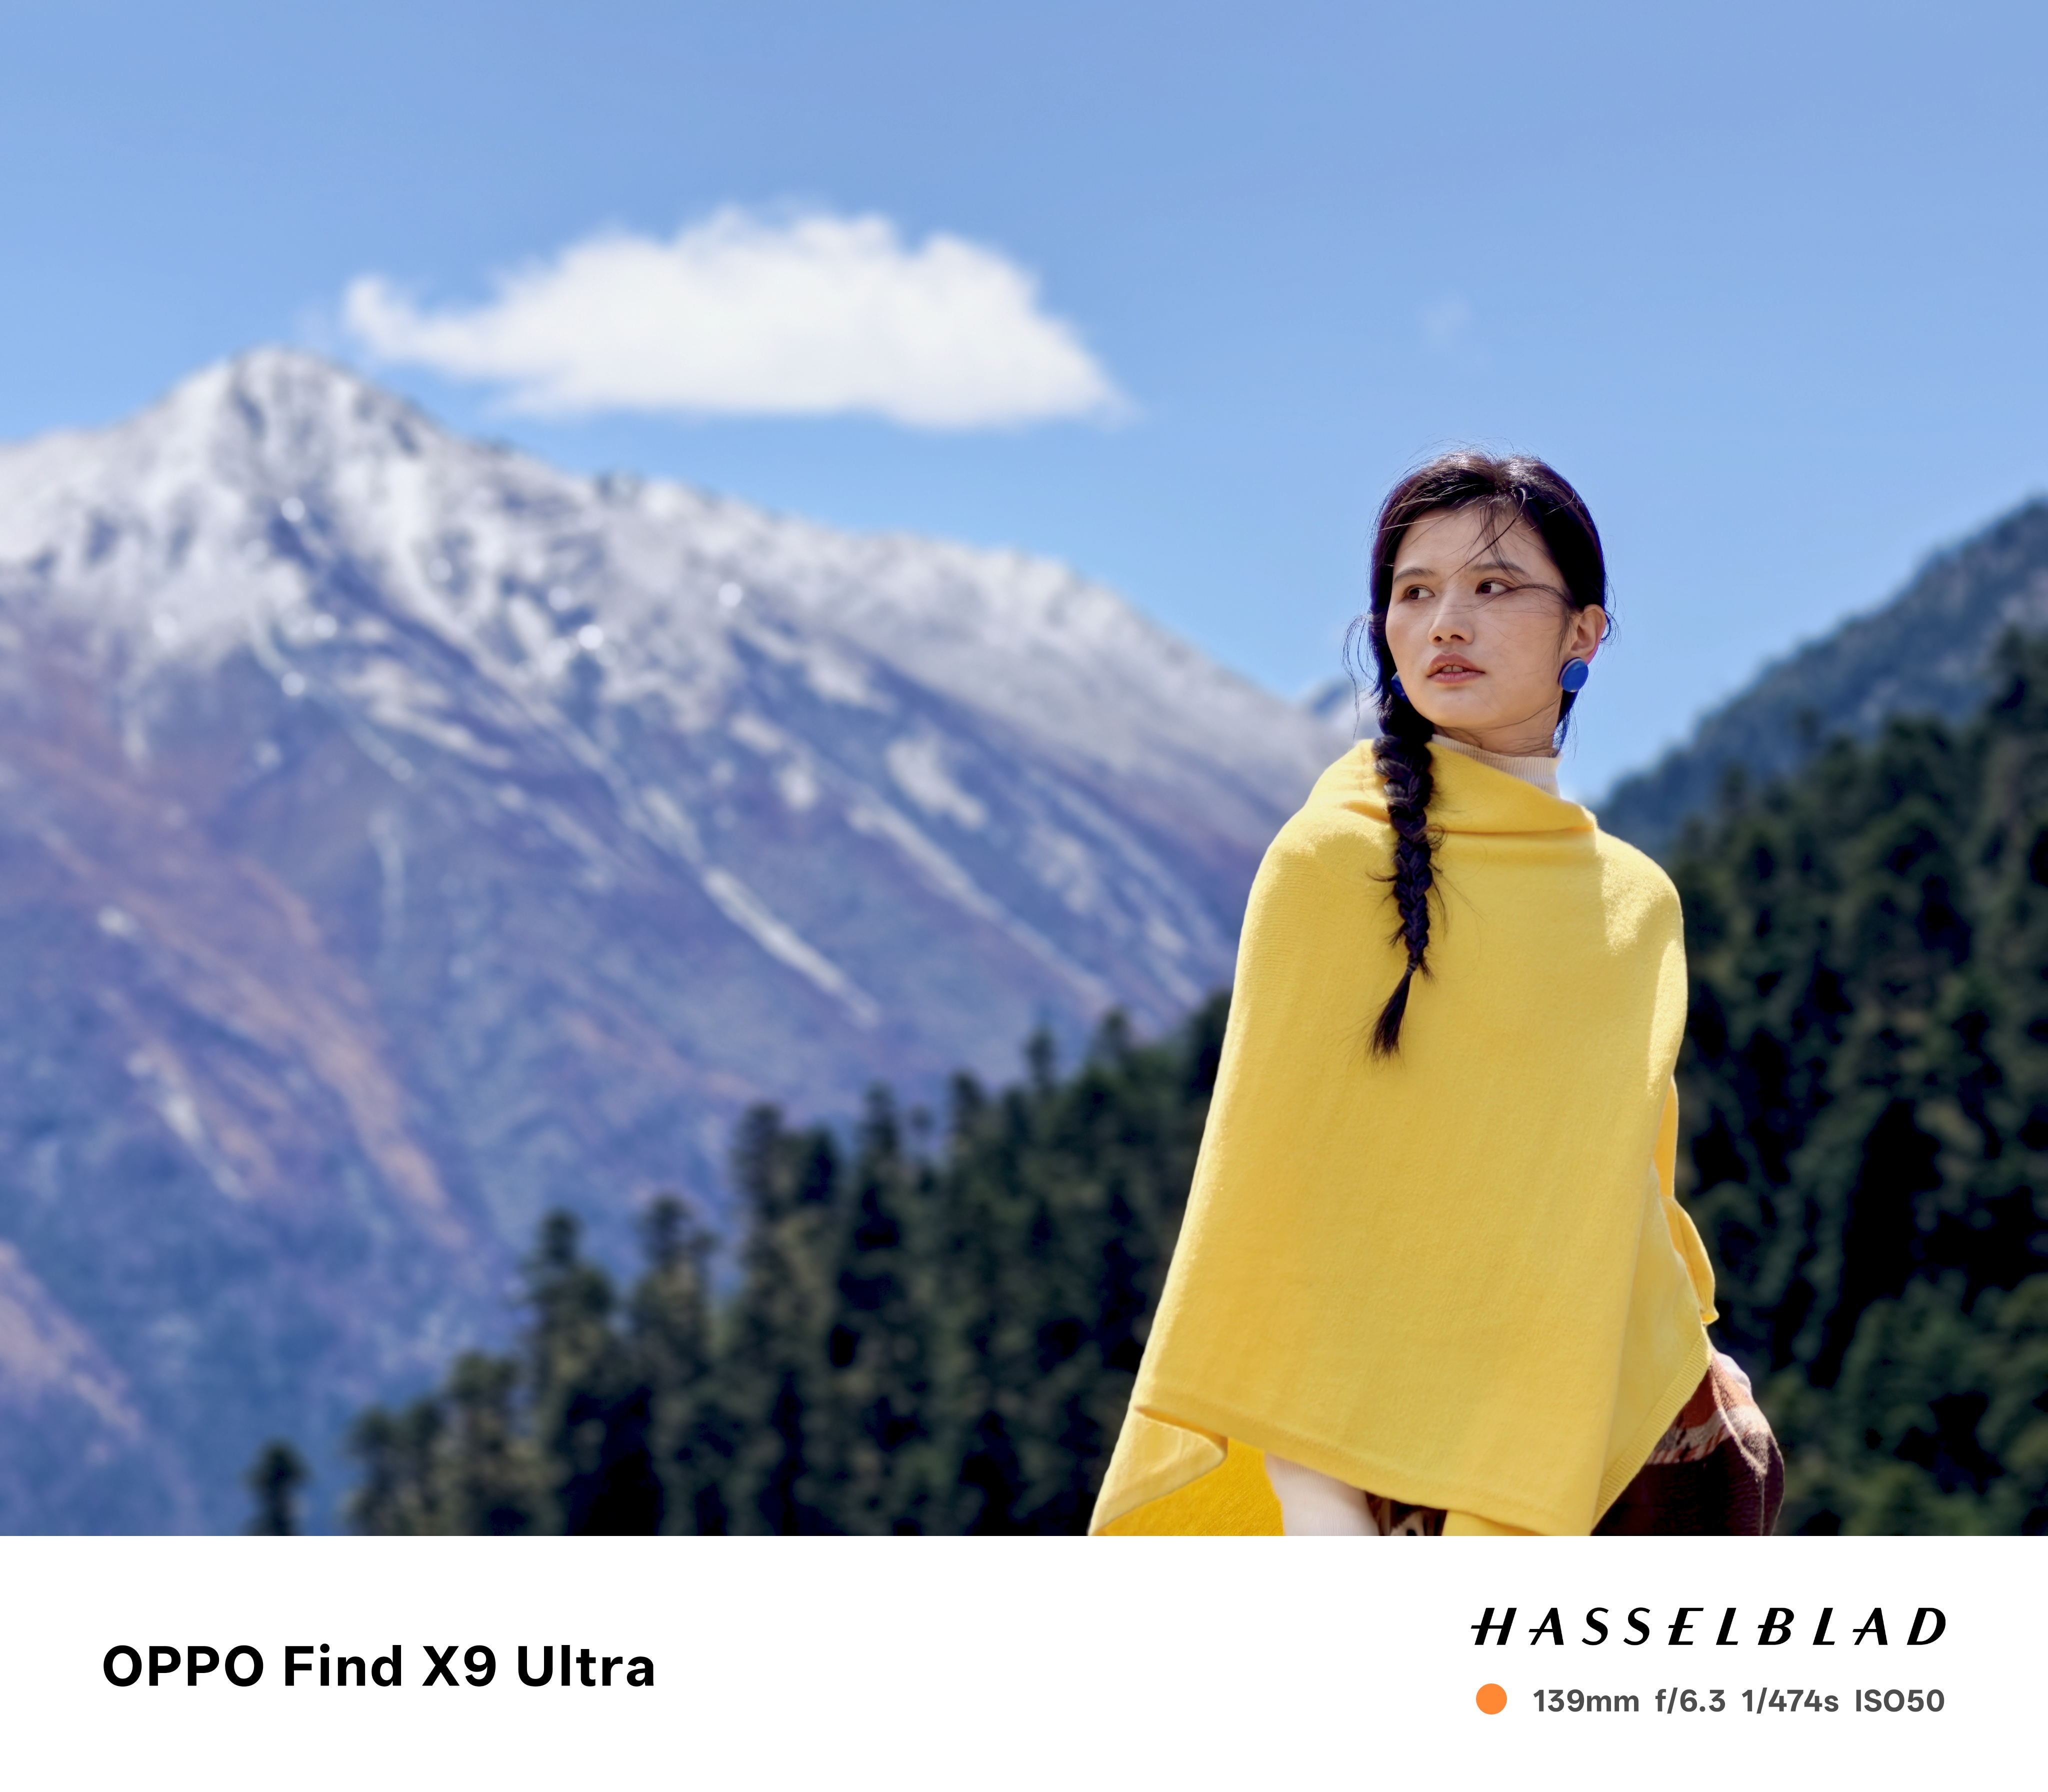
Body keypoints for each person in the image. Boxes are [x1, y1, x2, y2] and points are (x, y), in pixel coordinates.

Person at [1090, 450, 1781, 1536]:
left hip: (1652, 1456)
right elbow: (1268, 1222)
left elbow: (1614, 1194)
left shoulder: (1635, 902)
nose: (1445, 620)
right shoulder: (1328, 861)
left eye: (1493, 586)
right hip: (1396, 1474)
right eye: (1414, 592)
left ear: (1583, 633)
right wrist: (1321, 1516)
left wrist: (1704, 1371)